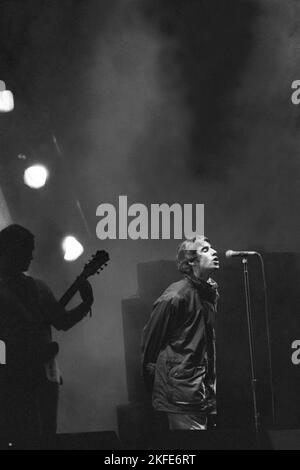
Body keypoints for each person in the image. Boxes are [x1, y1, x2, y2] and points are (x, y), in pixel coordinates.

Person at [0, 224, 94, 441]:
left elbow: (62, 321)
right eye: (27, 249)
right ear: (10, 250)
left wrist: (85, 304)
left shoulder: (38, 288)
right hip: (11, 380)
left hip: (42, 377)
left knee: (45, 436)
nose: (32, 256)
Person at [141, 235, 219, 431]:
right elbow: (151, 339)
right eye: (205, 249)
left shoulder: (207, 293)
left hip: (198, 388)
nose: (214, 252)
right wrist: (156, 380)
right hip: (180, 390)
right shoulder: (176, 296)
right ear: (191, 261)